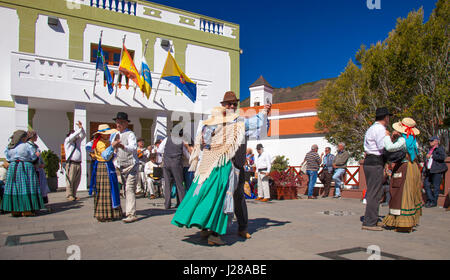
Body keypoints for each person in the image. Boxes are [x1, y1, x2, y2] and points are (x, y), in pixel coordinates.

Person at [171, 106, 245, 246]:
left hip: (205, 166)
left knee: (201, 195)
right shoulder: (228, 127)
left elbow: (201, 147)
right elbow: (249, 125)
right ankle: (215, 235)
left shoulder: (204, 129)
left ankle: (204, 228)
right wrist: (265, 112)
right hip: (221, 166)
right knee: (219, 199)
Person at [220, 91, 271, 239]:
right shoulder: (216, 122)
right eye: (229, 103)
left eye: (234, 104)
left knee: (239, 198)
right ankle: (212, 228)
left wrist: (264, 112)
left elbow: (256, 123)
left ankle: (242, 227)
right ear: (223, 106)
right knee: (217, 197)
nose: (232, 106)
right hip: (221, 168)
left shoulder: (240, 122)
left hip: (237, 167)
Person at [382, 117, 423, 232]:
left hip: (405, 168)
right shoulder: (412, 140)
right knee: (409, 193)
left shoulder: (403, 140)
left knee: (402, 194)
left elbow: (390, 147)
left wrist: (386, 136)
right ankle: (406, 221)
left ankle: (403, 224)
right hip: (413, 167)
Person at [362, 107, 392, 231]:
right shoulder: (380, 129)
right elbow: (382, 147)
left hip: (369, 161)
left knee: (374, 191)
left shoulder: (371, 129)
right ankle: (369, 222)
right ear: (386, 117)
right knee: (375, 192)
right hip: (375, 162)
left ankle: (372, 218)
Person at [1, 130, 45, 217]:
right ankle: (26, 210)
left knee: (14, 187)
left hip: (13, 167)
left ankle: (15, 210)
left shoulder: (10, 147)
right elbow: (32, 157)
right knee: (26, 186)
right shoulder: (26, 146)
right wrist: (37, 154)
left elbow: (8, 157)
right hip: (25, 166)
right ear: (23, 137)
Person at [86, 124, 123, 222]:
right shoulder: (100, 143)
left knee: (111, 188)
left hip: (108, 166)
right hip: (103, 166)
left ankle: (113, 212)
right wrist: (112, 146)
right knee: (105, 190)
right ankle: (104, 214)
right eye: (106, 134)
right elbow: (105, 155)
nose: (108, 135)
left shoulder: (104, 142)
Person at [111, 112, 139, 223]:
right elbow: (113, 150)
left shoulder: (130, 134)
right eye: (117, 122)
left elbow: (133, 148)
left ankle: (131, 213)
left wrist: (122, 145)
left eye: (121, 122)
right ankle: (126, 210)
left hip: (131, 165)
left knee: (129, 188)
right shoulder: (115, 135)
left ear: (126, 123)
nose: (119, 124)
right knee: (123, 189)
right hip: (120, 166)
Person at [159, 129, 190, 209]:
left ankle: (167, 204)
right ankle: (182, 204)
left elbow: (160, 150)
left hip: (166, 163)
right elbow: (186, 154)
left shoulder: (167, 139)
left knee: (167, 184)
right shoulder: (181, 141)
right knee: (179, 184)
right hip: (176, 163)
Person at [423, 136, 448, 208]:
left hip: (437, 170)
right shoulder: (430, 149)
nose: (430, 142)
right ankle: (430, 200)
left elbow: (442, 157)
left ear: (436, 141)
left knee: (436, 186)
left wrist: (432, 156)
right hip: (429, 170)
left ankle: (434, 202)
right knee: (426, 185)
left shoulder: (440, 148)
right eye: (430, 141)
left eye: (432, 141)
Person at [64, 120, 86, 201]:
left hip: (78, 163)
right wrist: (78, 130)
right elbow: (74, 136)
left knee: (77, 180)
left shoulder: (77, 142)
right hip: (71, 163)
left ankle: (74, 194)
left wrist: (81, 128)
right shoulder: (68, 141)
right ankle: (69, 195)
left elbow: (83, 135)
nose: (76, 137)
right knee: (70, 179)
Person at [27, 131, 50, 205]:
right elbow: (31, 157)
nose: (37, 137)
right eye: (35, 136)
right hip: (34, 169)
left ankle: (41, 202)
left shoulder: (35, 146)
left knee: (42, 186)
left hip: (40, 169)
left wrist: (42, 163)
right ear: (31, 137)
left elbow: (39, 156)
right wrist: (37, 164)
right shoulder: (28, 146)